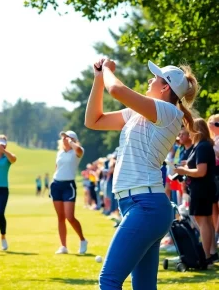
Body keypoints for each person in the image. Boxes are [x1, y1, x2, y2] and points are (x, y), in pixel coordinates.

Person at [85, 58, 198, 289]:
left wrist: (107, 69)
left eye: (154, 77)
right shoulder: (138, 113)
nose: (149, 79)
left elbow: (116, 89)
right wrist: (98, 79)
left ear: (165, 87)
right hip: (140, 205)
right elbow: (93, 120)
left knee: (109, 280)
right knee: (144, 286)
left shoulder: (168, 112)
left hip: (145, 205)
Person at [175, 118, 218, 265]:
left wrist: (183, 170)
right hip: (202, 188)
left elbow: (201, 171)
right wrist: (188, 164)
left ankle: (206, 255)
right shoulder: (201, 146)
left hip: (201, 188)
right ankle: (211, 253)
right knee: (206, 221)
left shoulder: (203, 146)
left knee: (203, 221)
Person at [50, 130, 88, 254]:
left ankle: (82, 240)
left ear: (73, 139)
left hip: (68, 186)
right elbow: (57, 168)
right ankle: (63, 246)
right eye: (64, 138)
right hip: (56, 185)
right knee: (60, 217)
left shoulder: (76, 152)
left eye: (67, 137)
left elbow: (79, 150)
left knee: (69, 217)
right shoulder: (60, 153)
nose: (64, 139)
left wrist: (71, 141)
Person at [208, 114, 219, 245]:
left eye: (214, 122)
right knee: (214, 207)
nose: (210, 124)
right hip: (213, 175)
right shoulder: (211, 139)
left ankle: (217, 234)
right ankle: (216, 236)